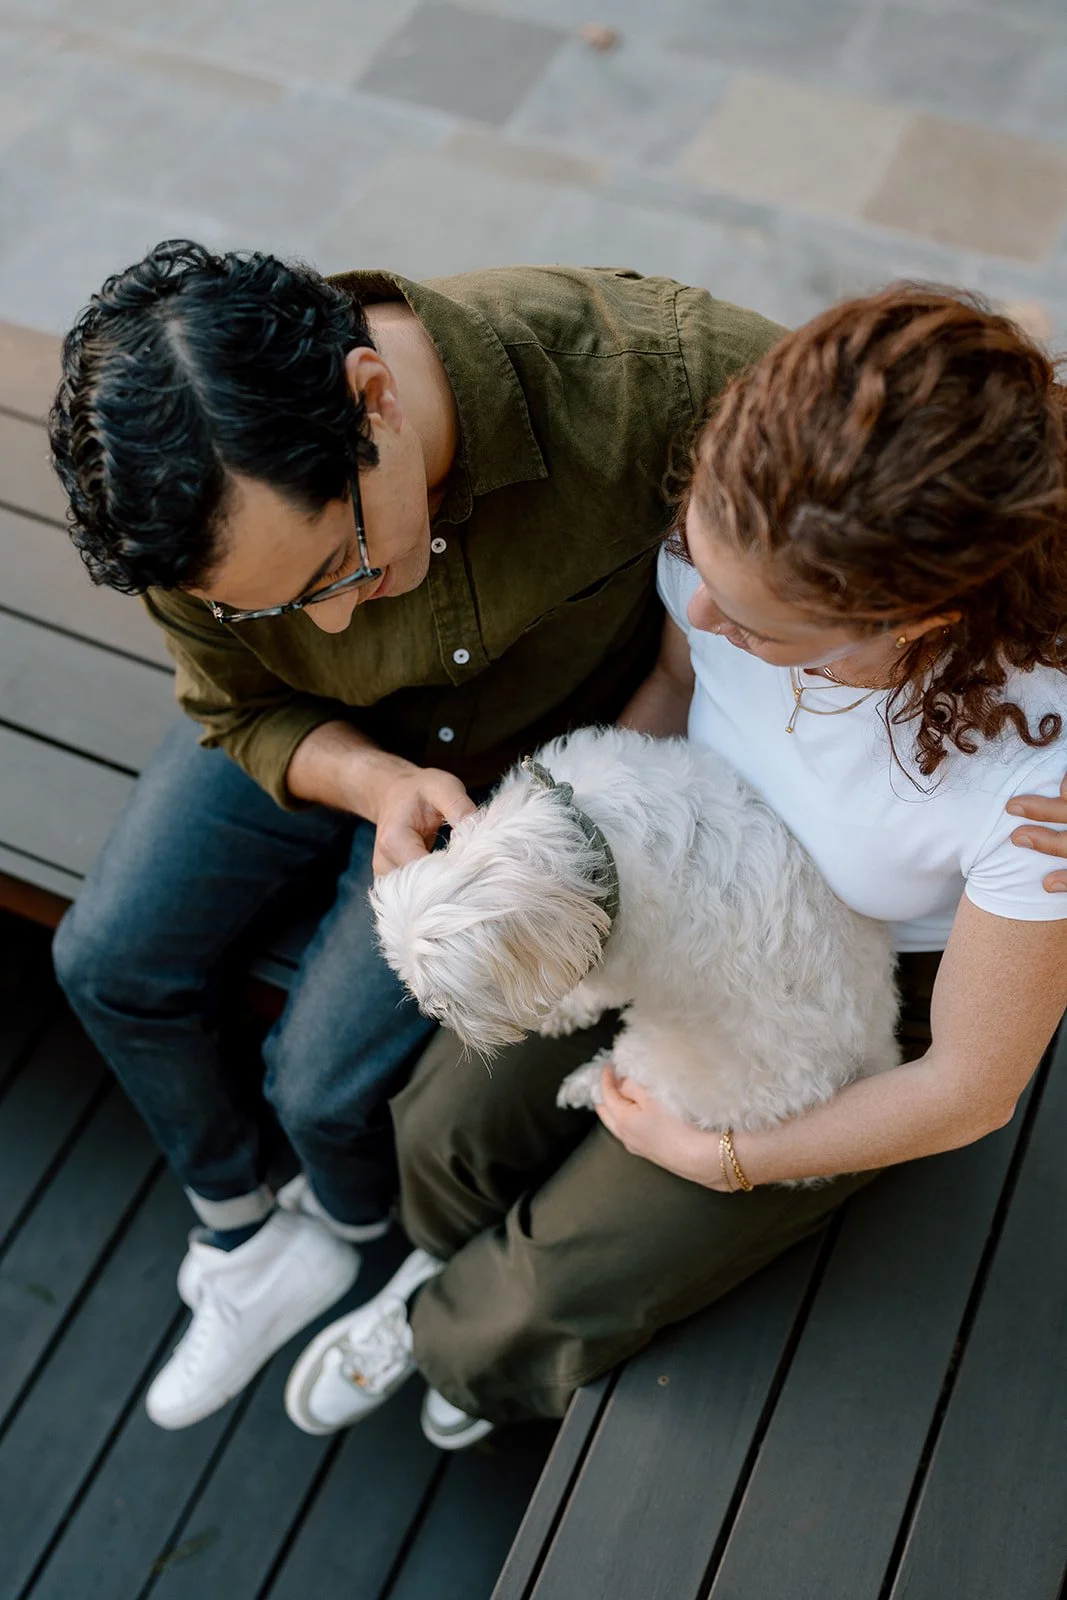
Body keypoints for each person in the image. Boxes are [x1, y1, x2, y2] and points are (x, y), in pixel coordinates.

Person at [280, 285, 1067, 1452]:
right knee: (440, 1126)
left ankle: (462, 1352)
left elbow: (967, 1087)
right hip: (679, 855)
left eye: (757, 624)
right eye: (695, 556)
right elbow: (671, 688)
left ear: (917, 618)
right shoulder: (731, 545)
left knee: (557, 1284)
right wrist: (547, 849)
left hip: (848, 984)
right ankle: (428, 1271)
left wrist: (723, 1158)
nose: (701, 608)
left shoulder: (1027, 780)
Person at [46, 240, 783, 1430]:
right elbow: (242, 706)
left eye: (339, 563)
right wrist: (372, 778)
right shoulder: (174, 503)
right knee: (103, 961)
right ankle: (243, 1235)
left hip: (522, 781)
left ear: (371, 396)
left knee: (324, 1080)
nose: (331, 617)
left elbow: (918, 472)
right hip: (324, 749)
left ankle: (335, 1230)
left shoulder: (664, 379)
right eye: (271, 604)